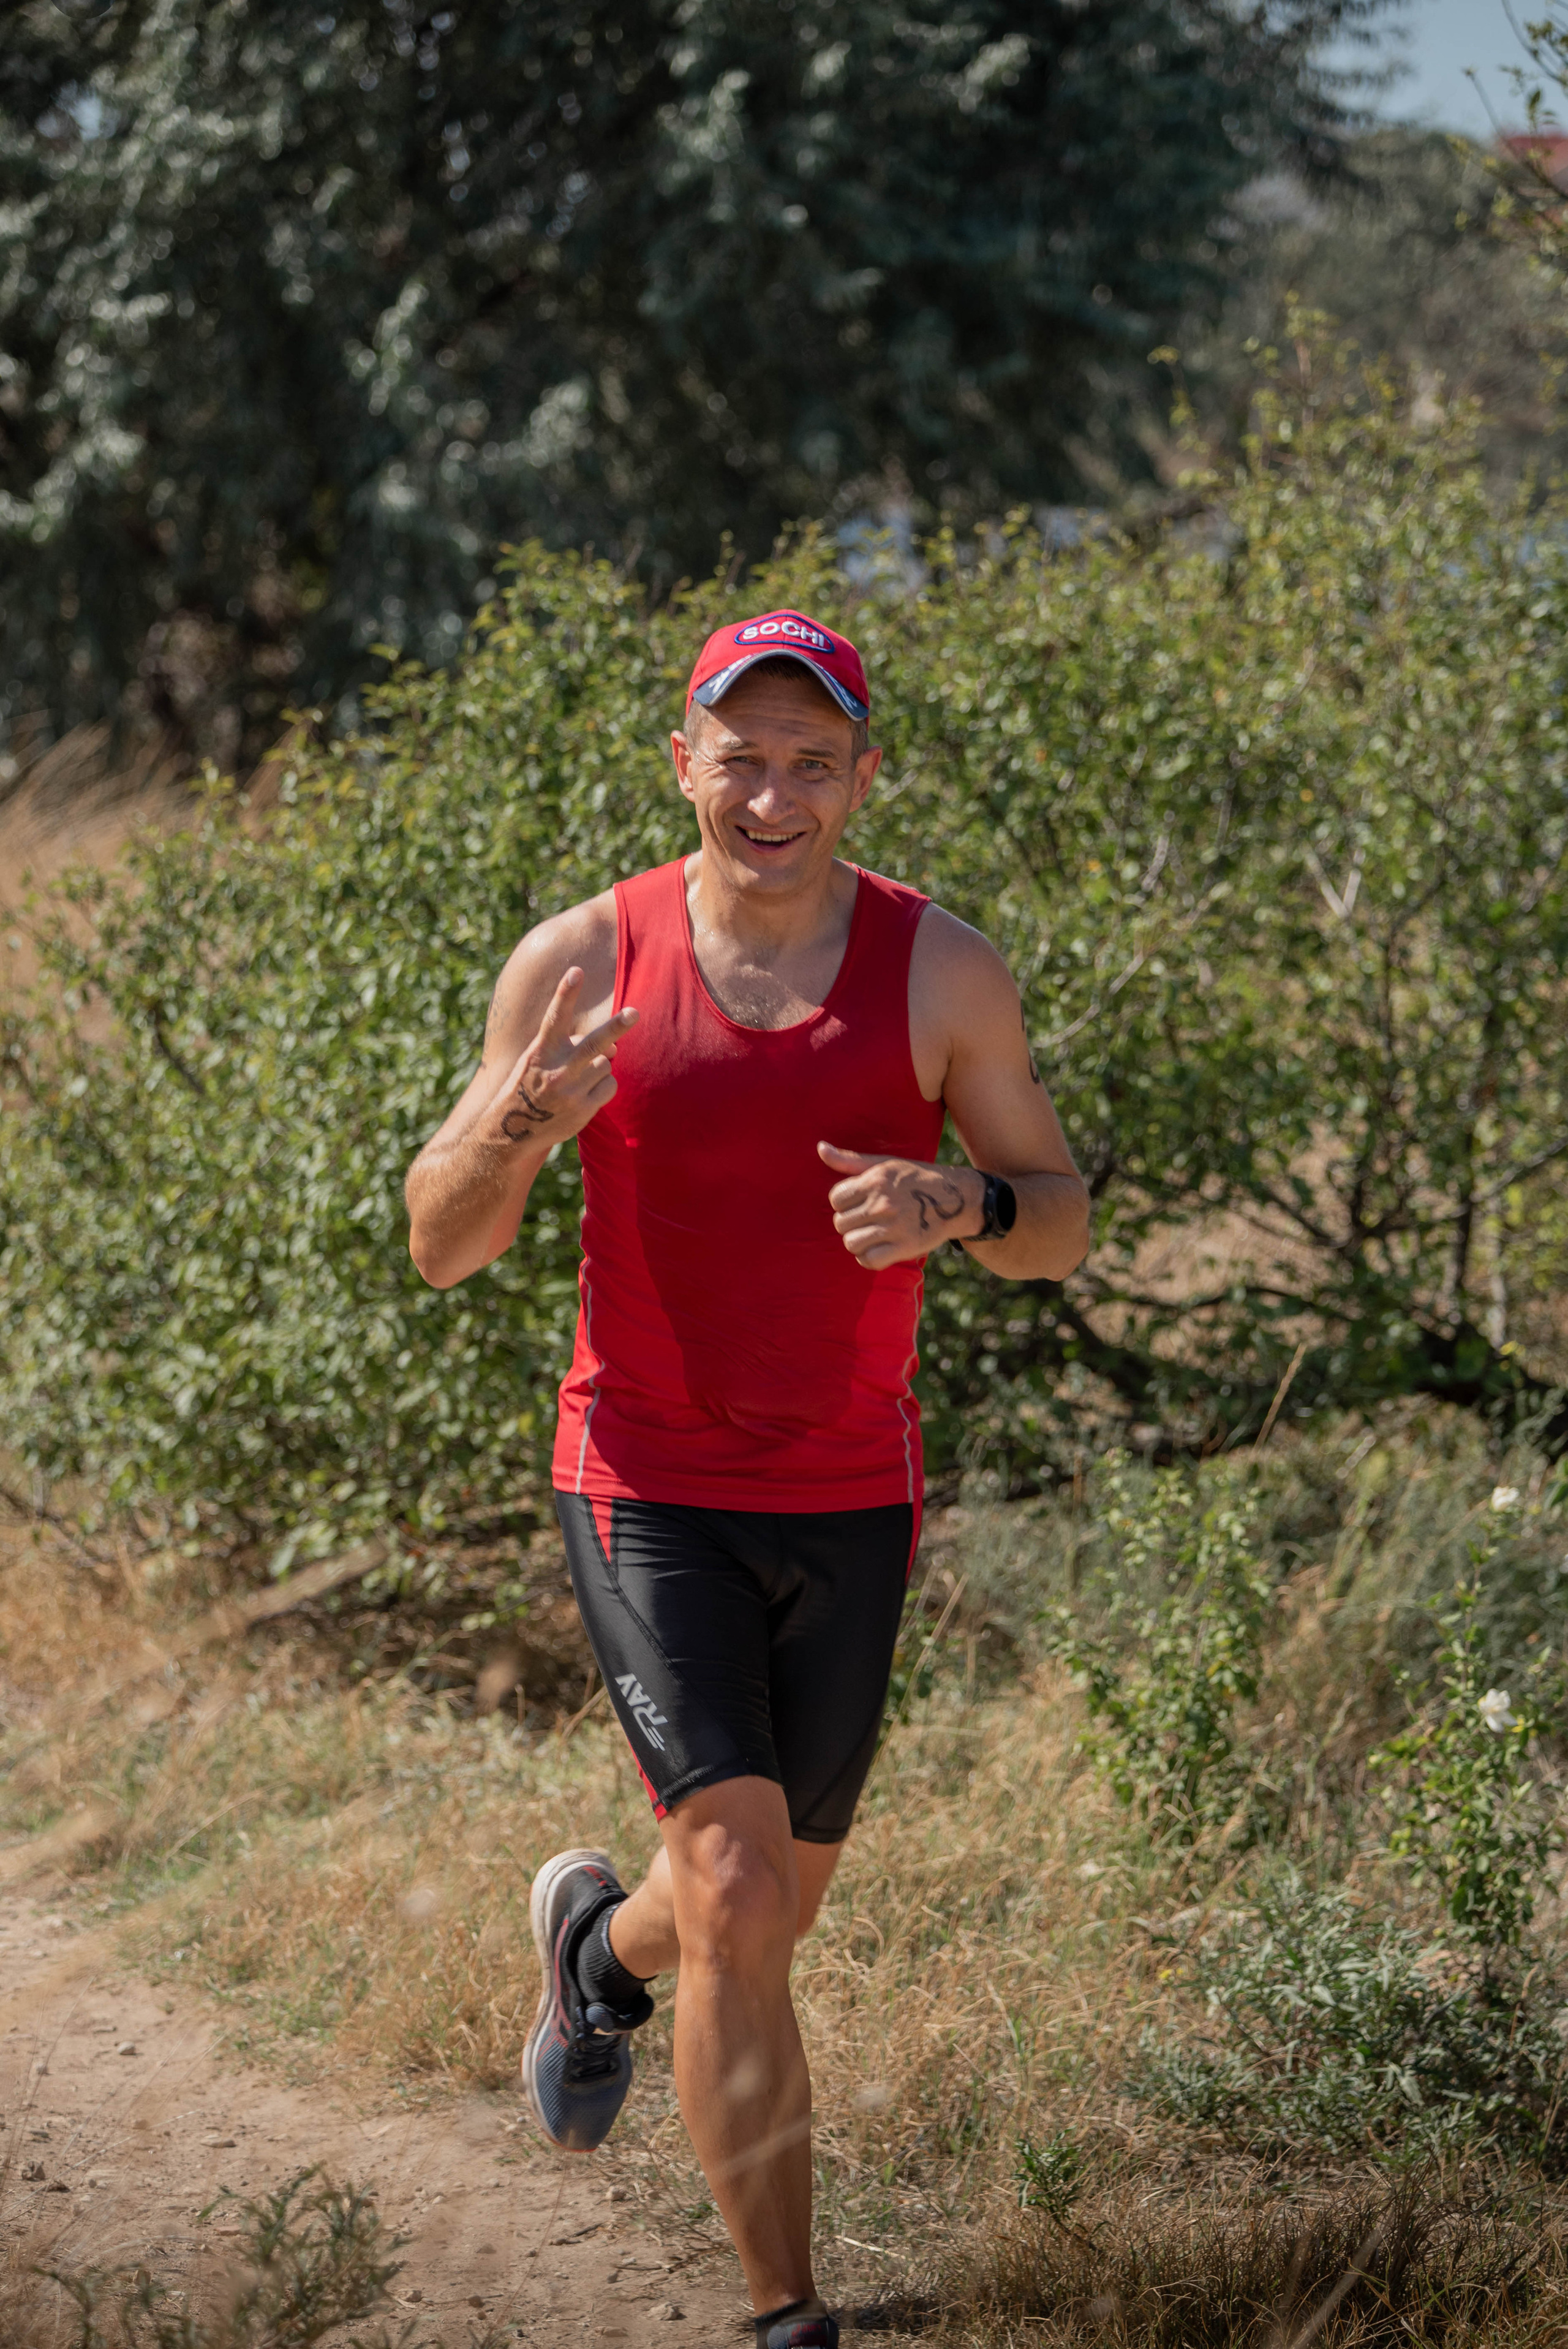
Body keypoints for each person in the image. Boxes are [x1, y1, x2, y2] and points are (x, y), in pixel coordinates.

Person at [404, 609, 1090, 2349]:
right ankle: (789, 2316)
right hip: (643, 1471)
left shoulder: (947, 974)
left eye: (809, 758)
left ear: (864, 774)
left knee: (754, 1918)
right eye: (740, 752)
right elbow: (439, 1242)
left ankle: (592, 1958)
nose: (770, 791)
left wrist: (967, 1205)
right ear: (682, 761)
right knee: (733, 1882)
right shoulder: (582, 960)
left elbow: (1058, 1219)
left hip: (853, 1487)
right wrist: (515, 1130)